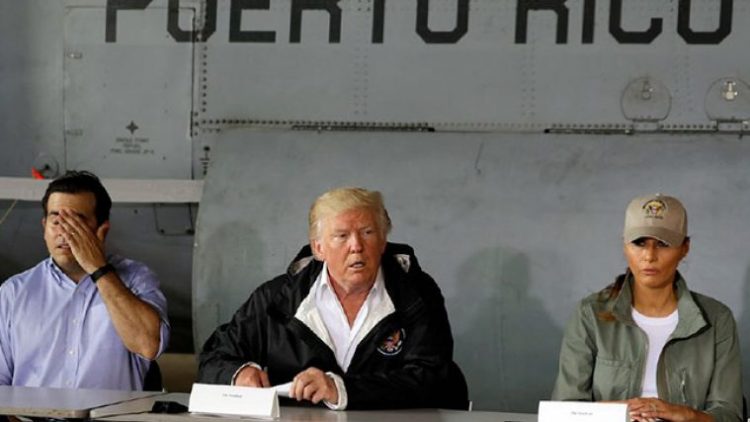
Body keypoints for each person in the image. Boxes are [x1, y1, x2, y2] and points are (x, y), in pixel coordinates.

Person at [198, 187, 468, 410]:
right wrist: (239, 373)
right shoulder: (278, 298)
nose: (356, 246)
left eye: (368, 232)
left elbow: (431, 377)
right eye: (342, 236)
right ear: (318, 248)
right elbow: (214, 358)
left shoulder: (416, 294)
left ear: (383, 241)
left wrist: (342, 390)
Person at [551, 194, 743, 422]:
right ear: (625, 245)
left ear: (685, 248)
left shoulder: (717, 319)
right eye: (639, 243)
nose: (649, 256)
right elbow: (563, 411)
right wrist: (624, 412)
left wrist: (683, 414)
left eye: (663, 244)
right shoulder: (590, 314)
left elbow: (729, 414)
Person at [0, 171, 170, 390]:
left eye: (76, 222)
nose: (64, 232)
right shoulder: (13, 293)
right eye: (56, 220)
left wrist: (98, 269)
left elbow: (149, 346)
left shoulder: (136, 279)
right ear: (44, 227)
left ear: (102, 230)